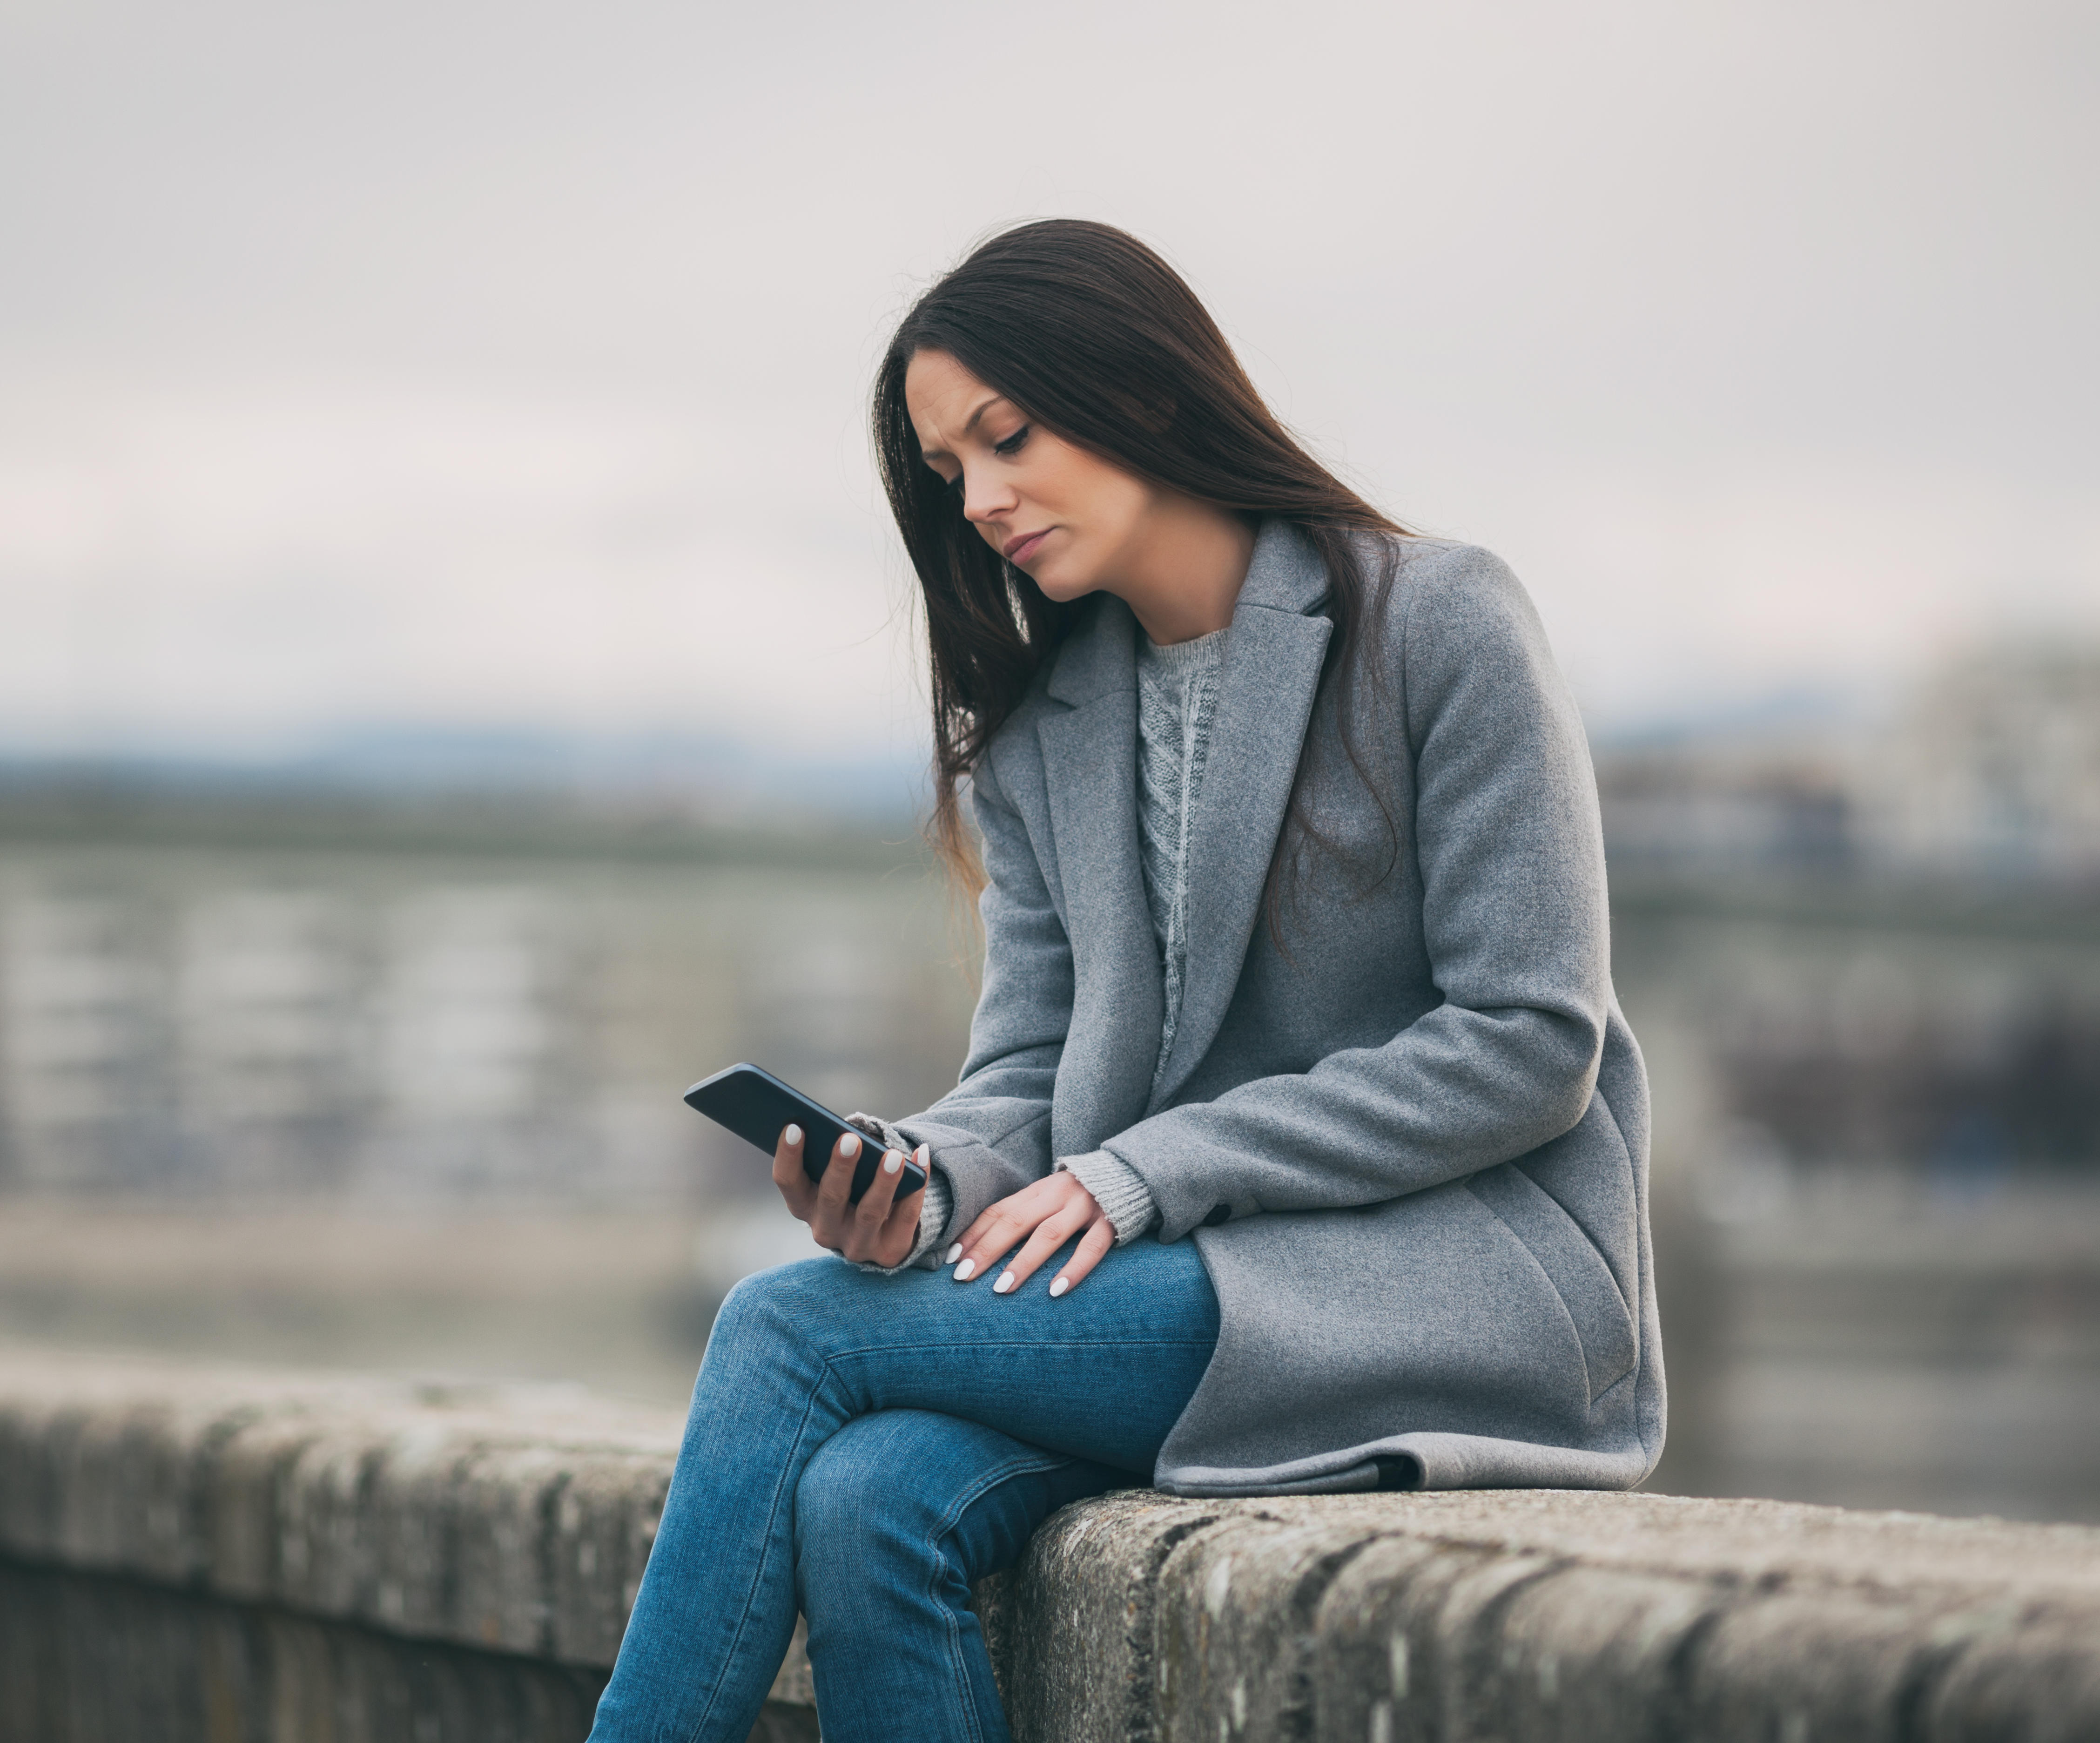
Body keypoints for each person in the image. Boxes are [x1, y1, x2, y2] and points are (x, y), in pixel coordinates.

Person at [586, 219, 1660, 1743]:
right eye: (951, 469)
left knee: (785, 1328)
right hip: (1173, 1297)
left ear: (1144, 392)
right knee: (864, 1495)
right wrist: (923, 1185)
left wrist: (1150, 1171)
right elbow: (1027, 1073)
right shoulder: (1041, 734)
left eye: (1006, 439)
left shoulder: (1439, 621)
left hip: (1446, 1289)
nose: (982, 500)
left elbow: (1529, 1039)